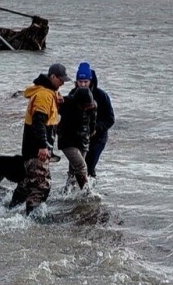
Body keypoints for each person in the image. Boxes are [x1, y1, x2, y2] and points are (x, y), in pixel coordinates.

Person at [9, 63, 69, 213]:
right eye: (61, 80)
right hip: (36, 149)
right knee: (42, 186)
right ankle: (31, 216)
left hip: (31, 148)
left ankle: (11, 208)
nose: (63, 83)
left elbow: (49, 119)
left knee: (28, 181)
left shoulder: (48, 92)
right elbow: (39, 122)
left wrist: (58, 102)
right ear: (53, 77)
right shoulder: (44, 95)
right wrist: (43, 145)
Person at [56, 62, 97, 190]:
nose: (86, 108)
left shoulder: (93, 104)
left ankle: (67, 194)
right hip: (68, 141)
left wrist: (92, 131)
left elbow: (93, 122)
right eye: (80, 81)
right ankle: (87, 195)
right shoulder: (67, 102)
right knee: (81, 167)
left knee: (74, 171)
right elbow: (52, 111)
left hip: (83, 140)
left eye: (86, 81)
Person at [85, 68, 114, 178]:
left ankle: (89, 192)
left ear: (92, 81)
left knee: (90, 166)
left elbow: (110, 119)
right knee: (76, 166)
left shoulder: (102, 96)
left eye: (86, 81)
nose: (83, 84)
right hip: (80, 137)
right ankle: (69, 191)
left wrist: (96, 128)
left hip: (98, 138)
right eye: (81, 81)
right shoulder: (74, 93)